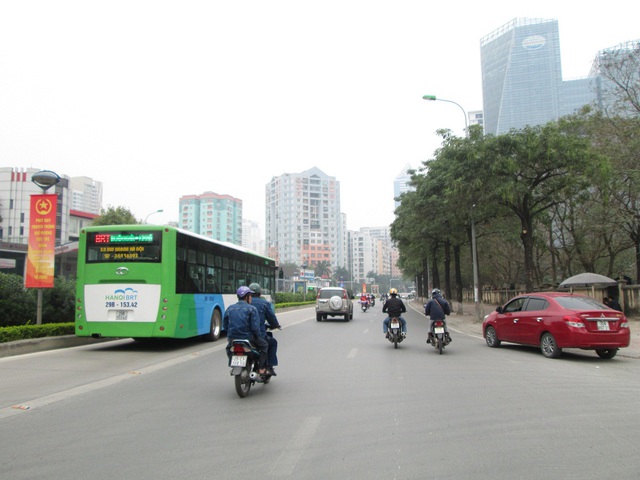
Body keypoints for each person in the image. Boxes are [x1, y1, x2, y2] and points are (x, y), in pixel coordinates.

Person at [223, 286, 268, 375]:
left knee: (228, 349)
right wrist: (258, 336)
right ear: (246, 297)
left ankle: (232, 364)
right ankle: (261, 368)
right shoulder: (252, 309)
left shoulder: (230, 308)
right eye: (250, 296)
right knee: (264, 346)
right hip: (248, 338)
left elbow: (225, 325)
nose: (251, 298)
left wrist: (229, 336)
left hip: (233, 339)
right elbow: (255, 328)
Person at [249, 282, 281, 376]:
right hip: (258, 335)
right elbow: (271, 317)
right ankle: (267, 367)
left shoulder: (242, 304)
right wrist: (276, 325)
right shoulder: (264, 303)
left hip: (241, 335)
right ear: (260, 293)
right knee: (272, 342)